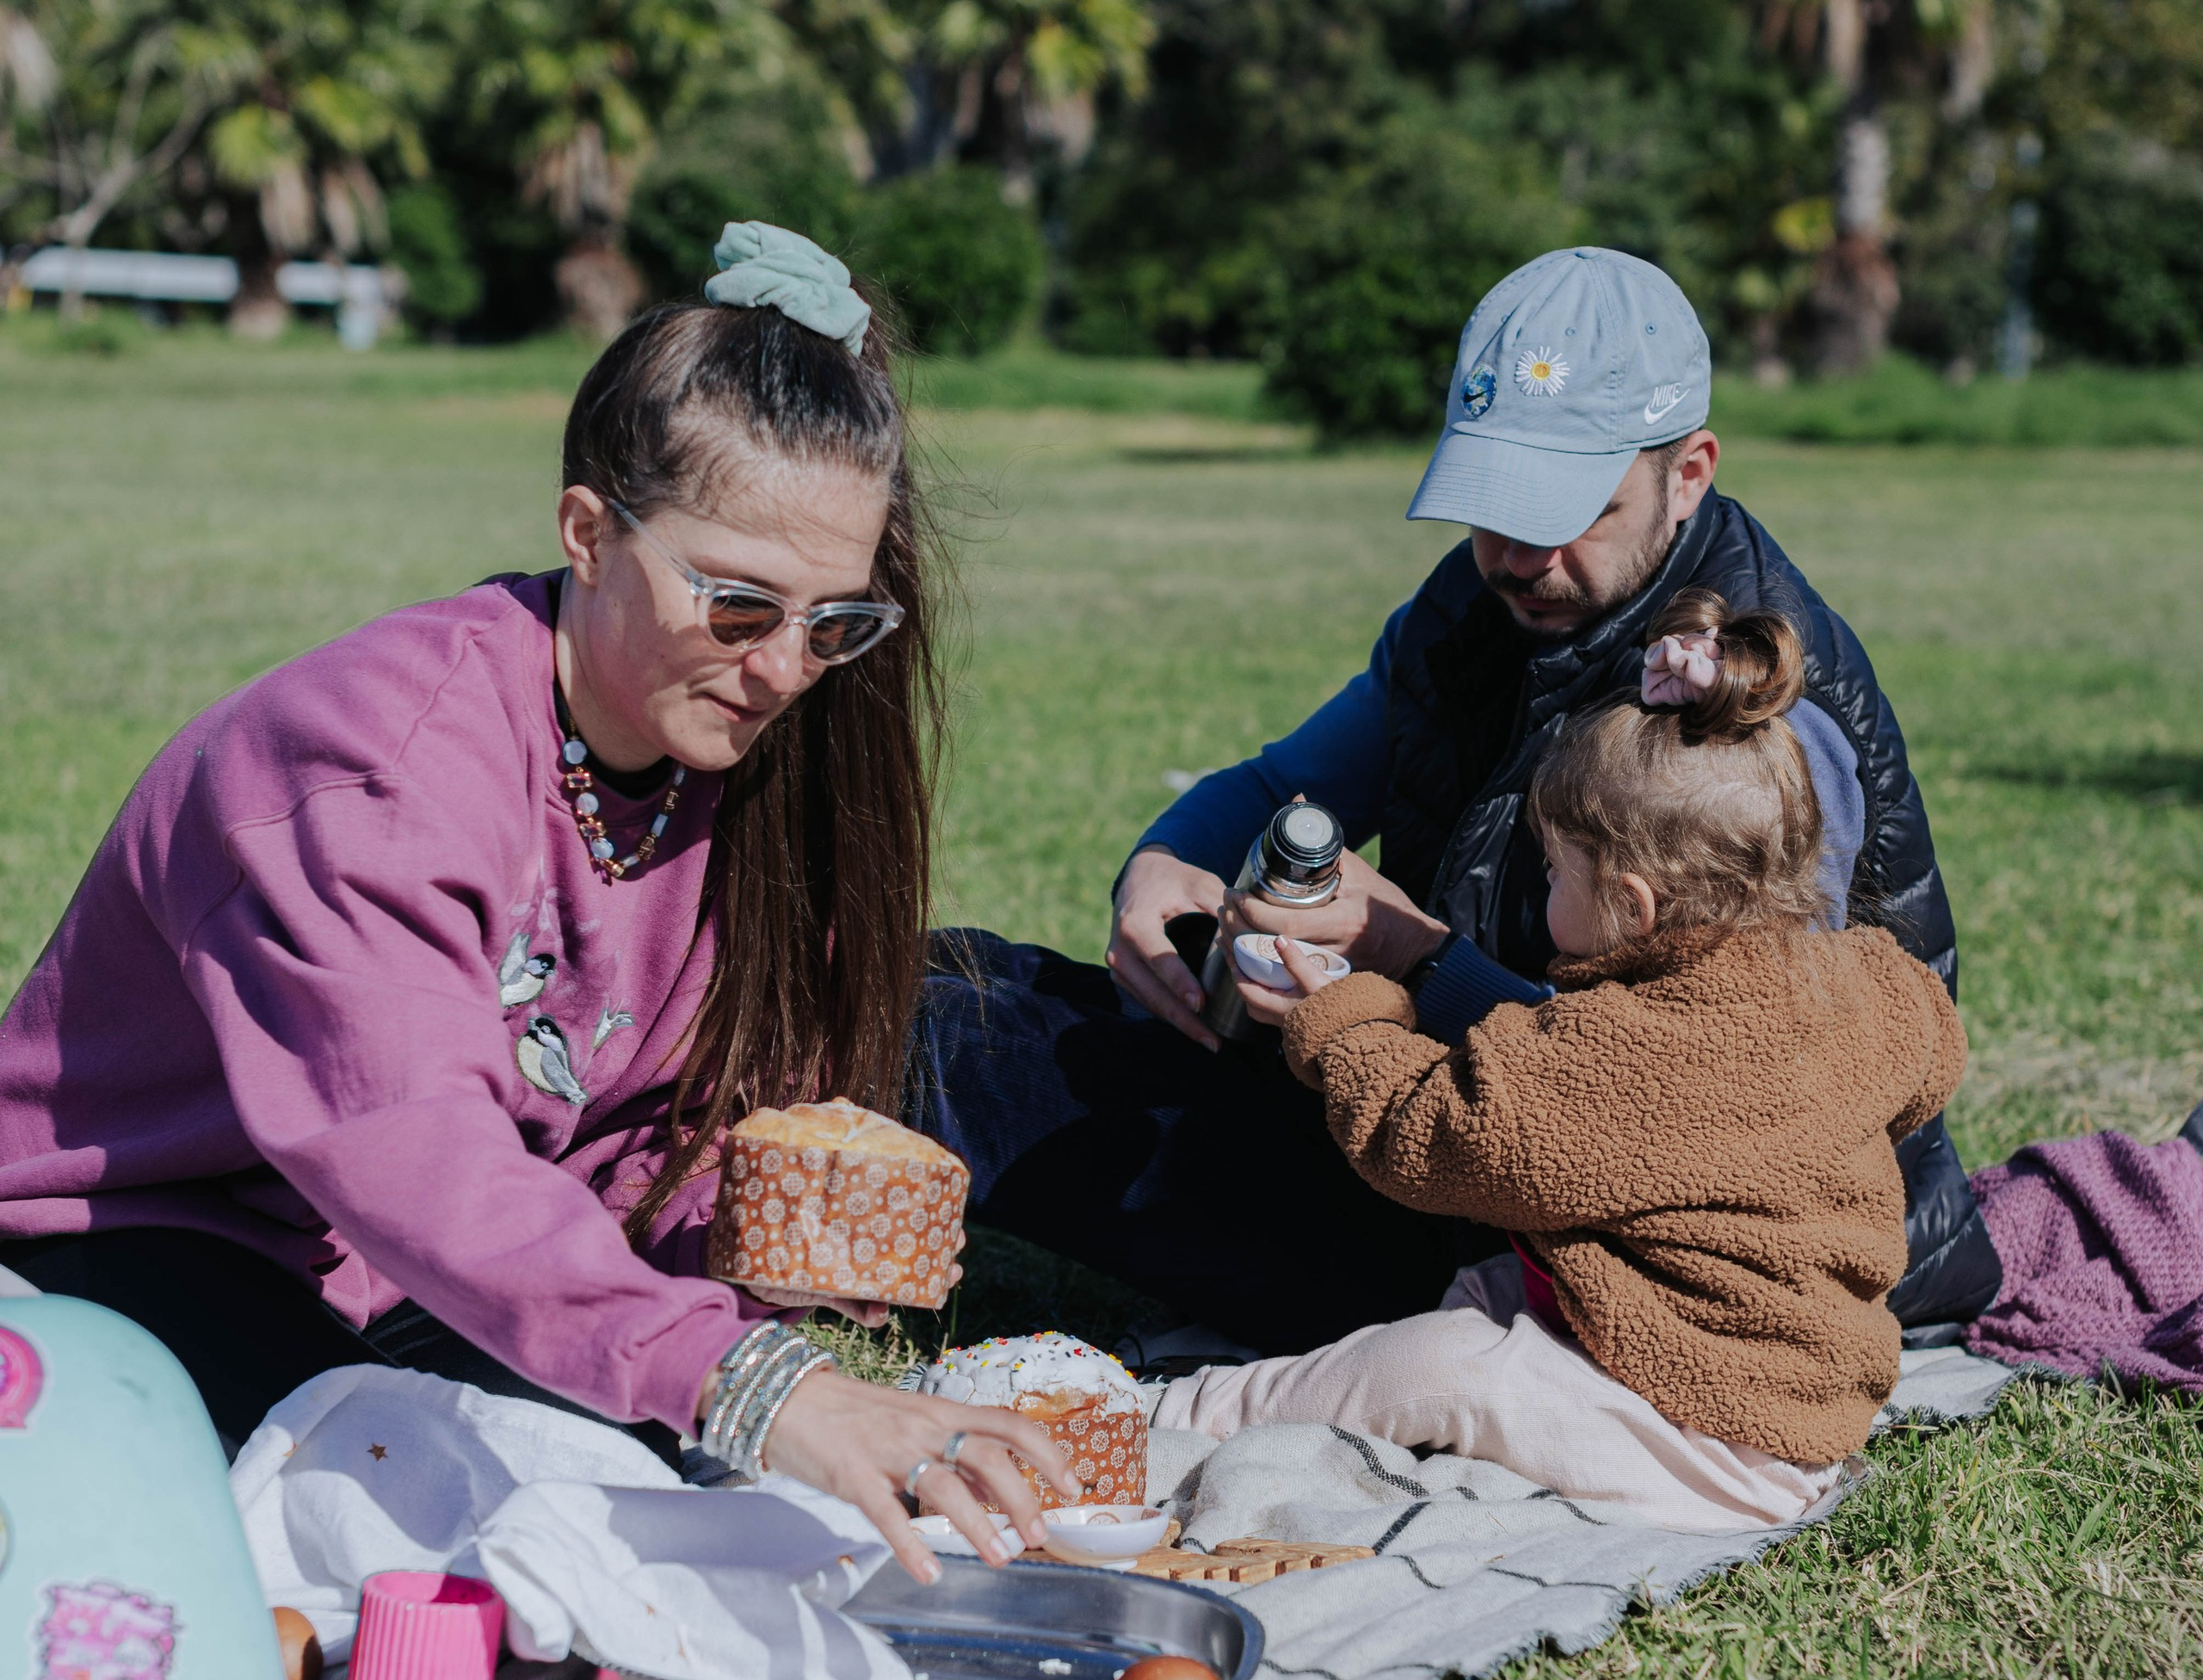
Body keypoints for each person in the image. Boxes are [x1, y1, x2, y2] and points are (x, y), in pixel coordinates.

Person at [0, 228, 1075, 1578]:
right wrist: (751, 1380)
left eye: (835, 622)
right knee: (418, 1509)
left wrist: (755, 1245)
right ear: (588, 532)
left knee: (650, 1500)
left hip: (411, 1270)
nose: (787, 669)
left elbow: (640, 1139)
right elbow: (417, 1150)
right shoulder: (371, 764)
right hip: (138, 1237)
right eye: (739, 606)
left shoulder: (727, 763)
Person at [920, 245, 1999, 1350]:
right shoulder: (1481, 612)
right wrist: (1161, 866)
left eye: (1568, 510)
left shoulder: (1754, 716)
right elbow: (1281, 784)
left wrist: (1413, 954)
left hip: (1600, 1264)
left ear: (1689, 474)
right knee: (952, 975)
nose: (1515, 555)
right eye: (1490, 505)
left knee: (950, 1046)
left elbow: (1708, 1106)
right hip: (1463, 1131)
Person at [1145, 591, 1969, 1527]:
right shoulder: (1871, 982)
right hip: (1800, 1388)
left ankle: (1180, 1414)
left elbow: (1429, 1130)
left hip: (1708, 1441)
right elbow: (1933, 1053)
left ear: (1631, 903)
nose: (1543, 890)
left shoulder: (1627, 1049)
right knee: (1496, 1293)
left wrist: (1340, 1021)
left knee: (1445, 1366)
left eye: (1553, 869)